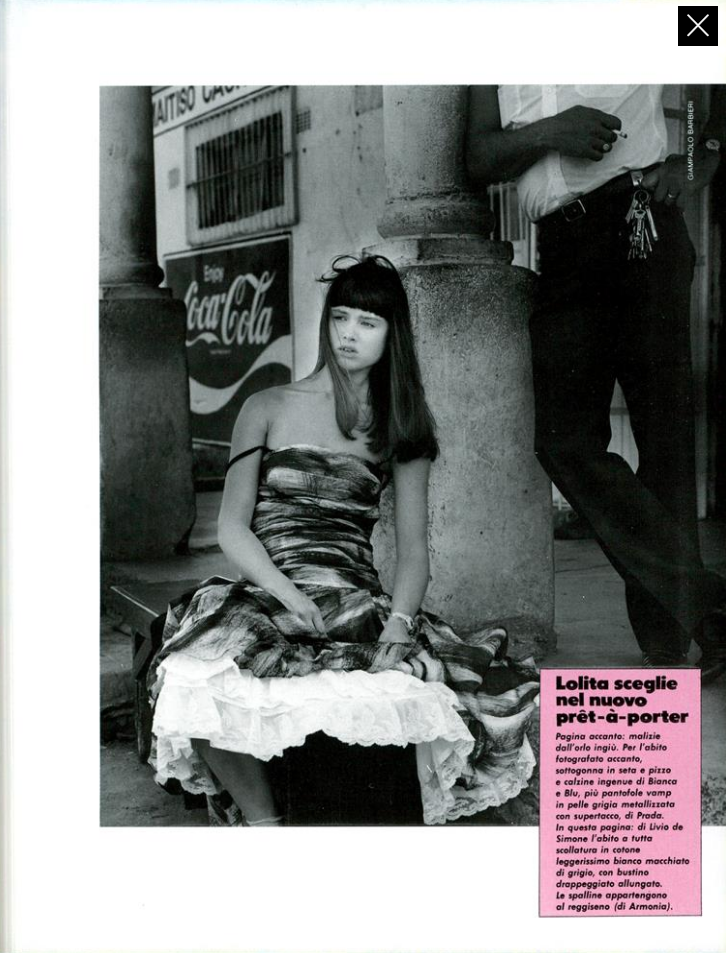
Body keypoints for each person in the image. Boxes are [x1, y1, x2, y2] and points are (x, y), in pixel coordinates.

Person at [148, 255, 540, 826]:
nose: (349, 334)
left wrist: (399, 623)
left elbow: (414, 554)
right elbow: (232, 527)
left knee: (398, 689)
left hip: (351, 595)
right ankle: (265, 825)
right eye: (340, 318)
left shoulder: (400, 425)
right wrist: (285, 593)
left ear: (391, 335)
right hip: (269, 589)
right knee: (192, 677)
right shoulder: (266, 406)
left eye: (367, 322)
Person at [466, 85, 726, 681]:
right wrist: (548, 132)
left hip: (641, 222)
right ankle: (709, 604)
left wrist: (699, 157)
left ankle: (676, 637)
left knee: (663, 440)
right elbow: (479, 158)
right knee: (563, 441)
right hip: (561, 245)